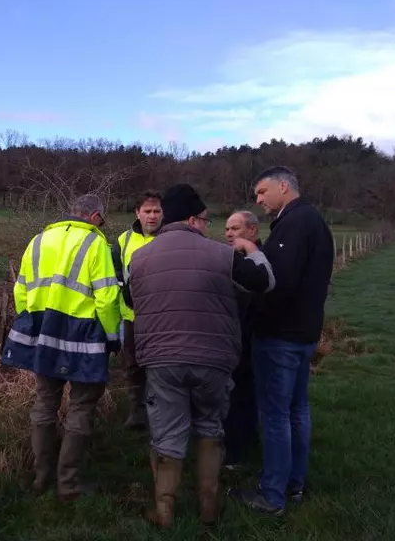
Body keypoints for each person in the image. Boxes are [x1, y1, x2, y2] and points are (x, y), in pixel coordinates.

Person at [125, 184, 275, 528]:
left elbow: (131, 299)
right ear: (192, 219)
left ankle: (164, 512)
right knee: (210, 427)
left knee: (167, 433)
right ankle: (209, 509)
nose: (209, 226)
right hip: (215, 359)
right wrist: (251, 248)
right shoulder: (222, 255)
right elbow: (264, 282)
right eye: (206, 219)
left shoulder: (139, 257)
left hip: (161, 361)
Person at [229, 166, 334, 516]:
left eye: (262, 192)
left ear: (284, 187)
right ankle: (294, 483)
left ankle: (272, 495)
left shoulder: (294, 224)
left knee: (275, 415)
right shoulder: (313, 221)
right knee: (296, 411)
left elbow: (277, 284)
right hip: (304, 333)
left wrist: (246, 257)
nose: (258, 199)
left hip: (281, 336)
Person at [1, 194, 121, 502]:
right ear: (95, 216)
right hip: (83, 337)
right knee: (81, 406)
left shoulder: (38, 240)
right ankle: (68, 484)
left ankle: (42, 477)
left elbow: (21, 290)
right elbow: (107, 298)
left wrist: (33, 324)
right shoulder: (96, 245)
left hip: (43, 333)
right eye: (102, 220)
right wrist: (112, 336)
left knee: (44, 403)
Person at [111, 190, 163, 429]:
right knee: (132, 366)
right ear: (137, 213)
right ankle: (137, 412)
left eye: (157, 211)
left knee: (159, 368)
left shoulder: (168, 238)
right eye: (148, 211)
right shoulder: (123, 240)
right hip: (131, 317)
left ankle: (160, 414)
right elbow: (116, 275)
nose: (152, 216)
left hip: (162, 317)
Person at [222, 210, 262, 470]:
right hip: (234, 338)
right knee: (237, 394)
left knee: (245, 394)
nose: (228, 234)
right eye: (227, 229)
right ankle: (238, 446)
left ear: (252, 231)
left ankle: (239, 449)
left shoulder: (260, 261)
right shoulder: (232, 259)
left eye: (235, 229)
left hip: (254, 336)